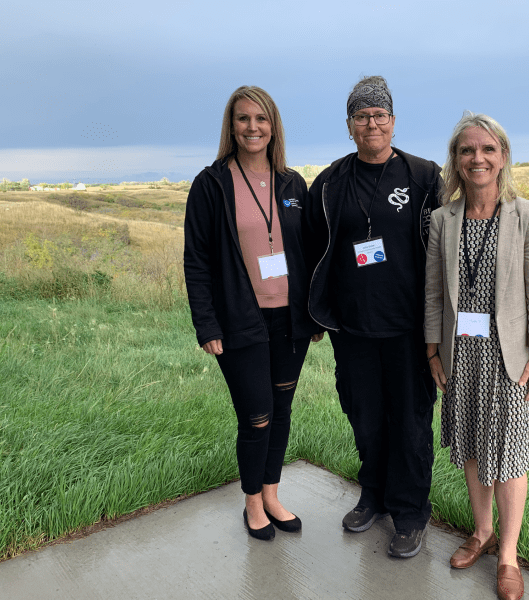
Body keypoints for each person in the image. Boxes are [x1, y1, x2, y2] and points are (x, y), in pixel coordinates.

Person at [305, 75, 443, 558]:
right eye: (361, 116)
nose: (371, 124)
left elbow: (445, 249)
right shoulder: (329, 183)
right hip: (353, 327)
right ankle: (374, 494)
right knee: (365, 417)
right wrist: (315, 314)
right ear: (349, 126)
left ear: (393, 121)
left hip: (408, 329)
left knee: (409, 422)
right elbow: (310, 251)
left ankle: (409, 513)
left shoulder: (424, 177)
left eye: (379, 115)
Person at [184, 85, 322, 542]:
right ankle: (251, 503)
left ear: (273, 126)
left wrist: (314, 315)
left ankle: (272, 493)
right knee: (256, 414)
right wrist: (206, 323)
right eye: (243, 119)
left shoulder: (292, 183)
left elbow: (308, 251)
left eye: (260, 119)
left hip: (289, 319)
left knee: (281, 410)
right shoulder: (211, 184)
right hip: (241, 319)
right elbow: (197, 260)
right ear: (231, 126)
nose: (252, 127)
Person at [424, 113, 529, 600]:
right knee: (475, 448)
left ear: (502, 157)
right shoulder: (443, 219)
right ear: (455, 161)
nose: (477, 158)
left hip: (510, 356)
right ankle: (481, 533)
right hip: (461, 355)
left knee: (511, 453)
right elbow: (434, 292)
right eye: (466, 150)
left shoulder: (528, 215)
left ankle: (508, 555)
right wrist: (432, 349)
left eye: (487, 149)